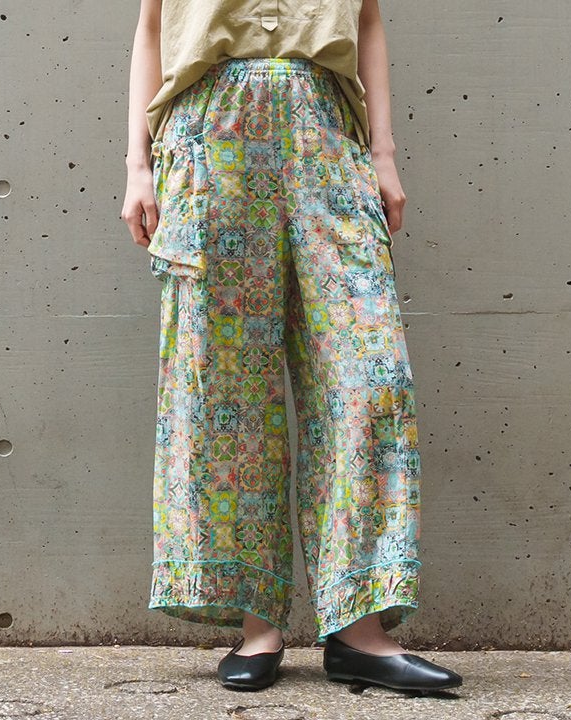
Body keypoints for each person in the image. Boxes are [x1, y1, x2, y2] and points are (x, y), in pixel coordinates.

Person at [121, 0, 463, 694]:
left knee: (369, 376)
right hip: (210, 131)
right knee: (225, 388)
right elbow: (152, 26)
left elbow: (367, 20)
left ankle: (359, 629)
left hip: (327, 131)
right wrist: (137, 166)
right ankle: (259, 626)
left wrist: (382, 152)